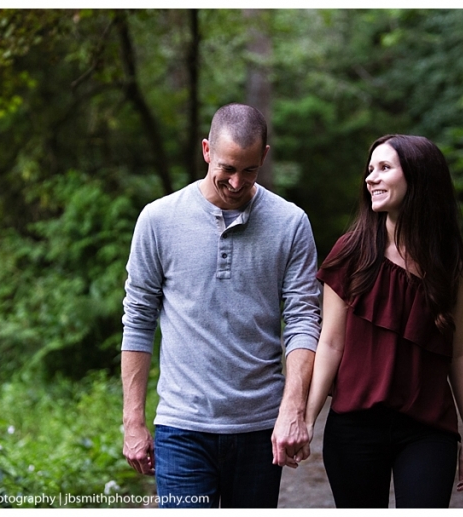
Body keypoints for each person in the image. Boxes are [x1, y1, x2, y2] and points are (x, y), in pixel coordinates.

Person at [120, 103, 321, 508]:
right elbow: (138, 320)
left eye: (249, 170)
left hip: (259, 427)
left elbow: (302, 319)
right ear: (207, 150)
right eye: (227, 168)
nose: (236, 181)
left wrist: (293, 410)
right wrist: (133, 421)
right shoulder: (158, 220)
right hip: (182, 427)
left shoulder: (291, 223)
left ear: (264, 156)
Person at [303, 134, 463, 508]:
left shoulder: (456, 263)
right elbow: (331, 343)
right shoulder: (350, 253)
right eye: (370, 169)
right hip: (354, 427)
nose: (371, 178)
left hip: (428, 429)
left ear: (418, 177)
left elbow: (460, 352)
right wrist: (306, 418)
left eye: (385, 168)